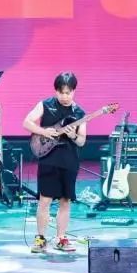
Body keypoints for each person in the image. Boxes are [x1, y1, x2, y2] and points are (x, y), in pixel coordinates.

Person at [22, 71, 86, 253]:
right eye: (61, 92)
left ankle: (61, 238)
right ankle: (40, 239)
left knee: (65, 201)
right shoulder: (45, 104)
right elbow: (27, 122)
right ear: (56, 91)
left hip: (69, 160)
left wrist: (73, 135)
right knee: (45, 200)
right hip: (48, 159)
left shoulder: (80, 113)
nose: (65, 96)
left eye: (68, 92)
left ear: (74, 91)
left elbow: (82, 141)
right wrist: (44, 132)